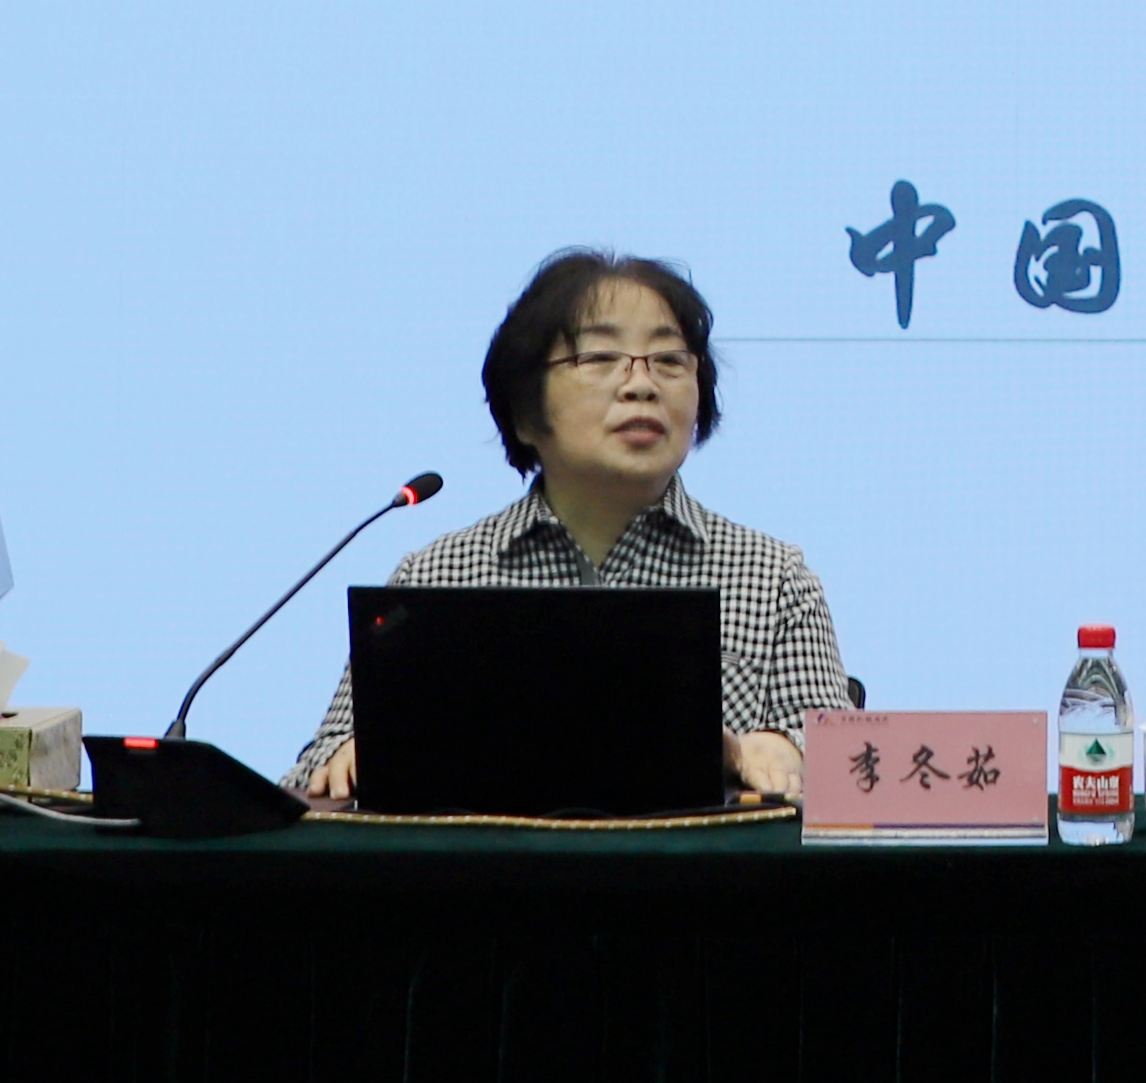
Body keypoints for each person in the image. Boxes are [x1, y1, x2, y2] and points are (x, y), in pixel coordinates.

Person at [284, 249, 851, 800]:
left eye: (670, 360)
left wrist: (781, 747)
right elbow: (314, 770)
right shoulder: (436, 577)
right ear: (525, 411)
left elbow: (853, 773)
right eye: (601, 358)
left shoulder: (773, 579)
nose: (642, 384)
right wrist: (350, 756)